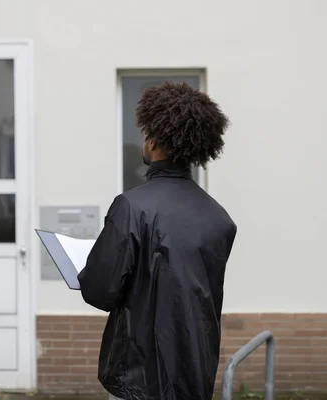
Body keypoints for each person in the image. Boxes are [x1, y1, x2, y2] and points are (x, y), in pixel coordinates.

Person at [77, 82, 237, 400]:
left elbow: (100, 292)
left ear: (154, 139)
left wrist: (87, 270)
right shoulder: (219, 217)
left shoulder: (131, 207)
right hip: (196, 372)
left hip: (139, 379)